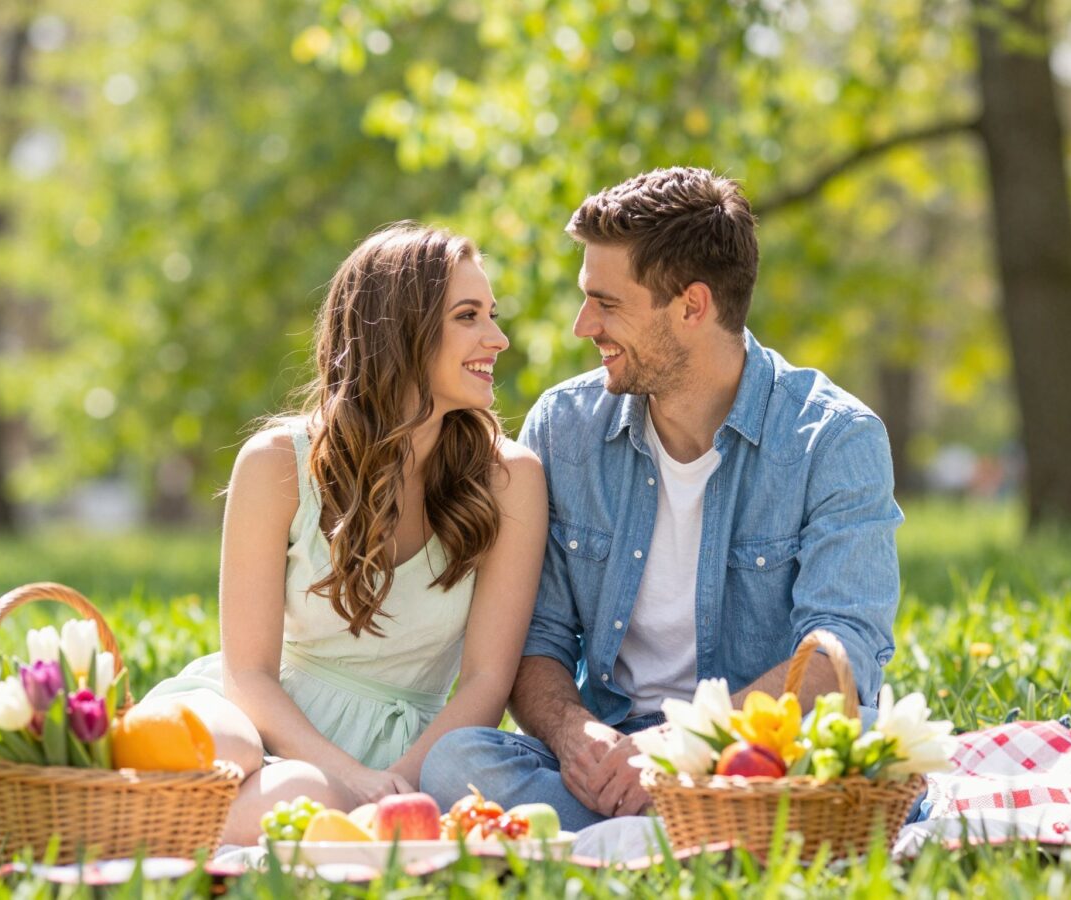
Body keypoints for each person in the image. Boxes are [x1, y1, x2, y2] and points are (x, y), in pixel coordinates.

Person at [419, 167, 903, 831]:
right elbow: (538, 638)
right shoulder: (564, 428)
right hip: (611, 755)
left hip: (756, 755)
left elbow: (839, 654)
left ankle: (638, 835)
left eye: (606, 303)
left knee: (867, 745)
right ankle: (697, 834)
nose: (582, 325)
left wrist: (682, 745)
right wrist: (576, 736)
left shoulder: (835, 438)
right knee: (456, 762)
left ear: (692, 306)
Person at [141, 224, 547, 844]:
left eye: (492, 315)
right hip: (263, 719)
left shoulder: (510, 479)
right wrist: (348, 776)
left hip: (407, 753)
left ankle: (155, 834)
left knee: (304, 800)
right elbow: (248, 674)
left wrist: (393, 787)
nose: (498, 338)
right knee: (220, 746)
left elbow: (487, 682)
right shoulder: (276, 462)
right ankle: (111, 816)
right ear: (401, 330)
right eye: (468, 316)